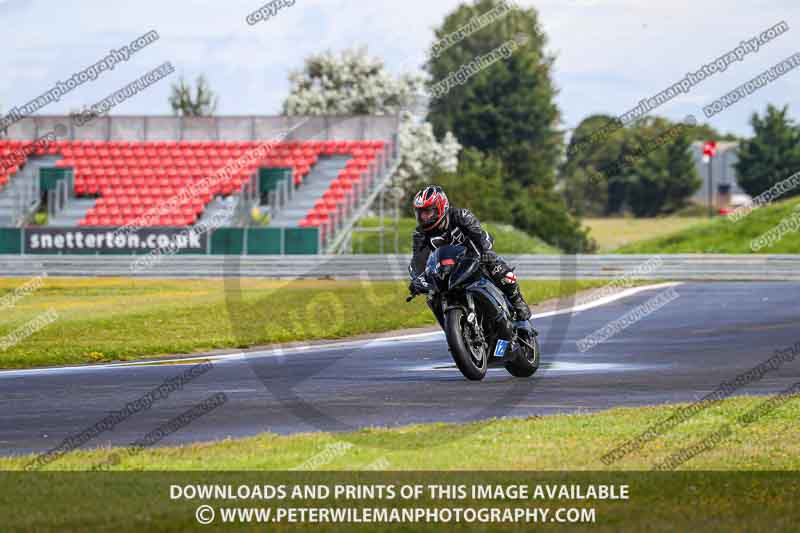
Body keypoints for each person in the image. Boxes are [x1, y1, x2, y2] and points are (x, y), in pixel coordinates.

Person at [407, 185, 532, 321]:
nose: (423, 217)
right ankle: (452, 328)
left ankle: (518, 302)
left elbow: (478, 235)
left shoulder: (460, 216)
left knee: (497, 267)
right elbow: (418, 259)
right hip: (449, 269)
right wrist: (417, 279)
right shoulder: (420, 234)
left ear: (440, 207)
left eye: (427, 212)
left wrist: (484, 250)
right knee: (432, 297)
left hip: (474, 257)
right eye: (420, 213)